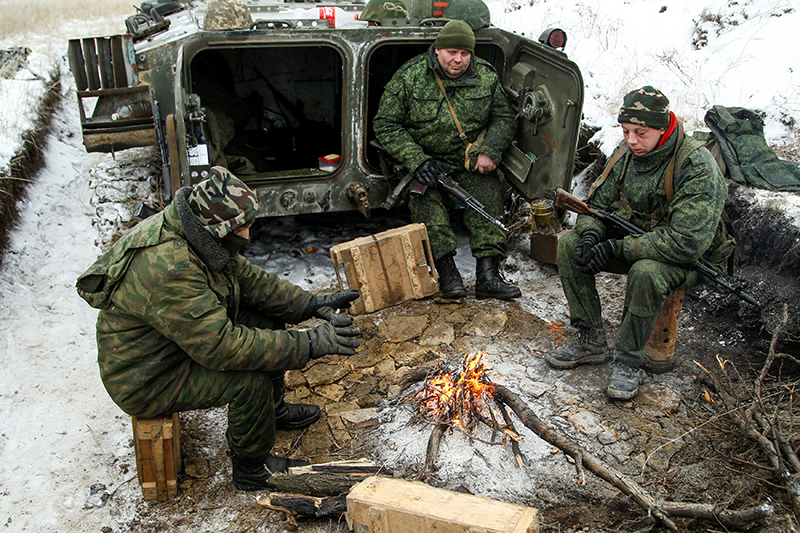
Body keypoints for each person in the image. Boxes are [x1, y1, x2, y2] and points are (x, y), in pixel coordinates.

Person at [76, 167, 362, 490]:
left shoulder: (196, 231)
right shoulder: (170, 266)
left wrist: (308, 304)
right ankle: (252, 468)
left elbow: (249, 281)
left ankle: (272, 410)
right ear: (218, 230)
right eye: (243, 228)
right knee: (248, 378)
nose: (249, 235)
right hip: (146, 375)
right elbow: (223, 348)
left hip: (172, 346)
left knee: (265, 317)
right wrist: (310, 343)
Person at [545, 86, 735, 400]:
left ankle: (628, 360)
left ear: (663, 127)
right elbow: (596, 204)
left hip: (688, 257)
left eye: (641, 132)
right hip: (636, 237)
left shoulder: (696, 167)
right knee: (569, 245)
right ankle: (590, 339)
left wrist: (617, 248)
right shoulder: (626, 153)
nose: (632, 140)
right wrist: (592, 232)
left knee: (646, 272)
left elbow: (686, 242)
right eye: (626, 131)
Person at [373, 20, 520, 300]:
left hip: (467, 161)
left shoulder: (486, 76)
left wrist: (491, 149)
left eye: (465, 53)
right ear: (438, 49)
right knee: (426, 204)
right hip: (425, 163)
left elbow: (503, 117)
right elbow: (385, 124)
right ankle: (448, 274)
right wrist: (416, 160)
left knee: (488, 197)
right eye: (452, 52)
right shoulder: (411, 76)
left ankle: (488, 275)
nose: (458, 60)